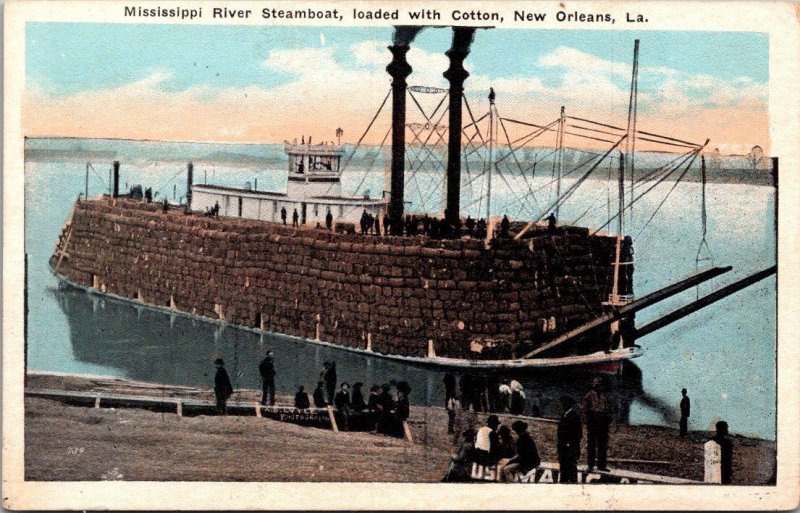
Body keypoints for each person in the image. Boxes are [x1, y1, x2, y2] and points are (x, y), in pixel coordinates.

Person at [583, 376, 610, 472]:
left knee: (602, 445)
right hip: (593, 422)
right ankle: (590, 465)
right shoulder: (589, 395)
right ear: (594, 385)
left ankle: (601, 465)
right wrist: (589, 421)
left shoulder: (604, 396)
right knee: (591, 445)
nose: (600, 386)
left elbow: (607, 410)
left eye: (601, 385)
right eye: (598, 385)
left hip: (602, 423)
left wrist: (607, 420)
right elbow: (585, 410)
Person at [557, 395, 582, 483]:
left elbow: (578, 434)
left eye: (563, 403)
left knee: (571, 472)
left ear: (568, 404)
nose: (562, 405)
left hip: (571, 450)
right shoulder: (563, 416)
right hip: (563, 449)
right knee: (563, 472)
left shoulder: (575, 416)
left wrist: (570, 444)